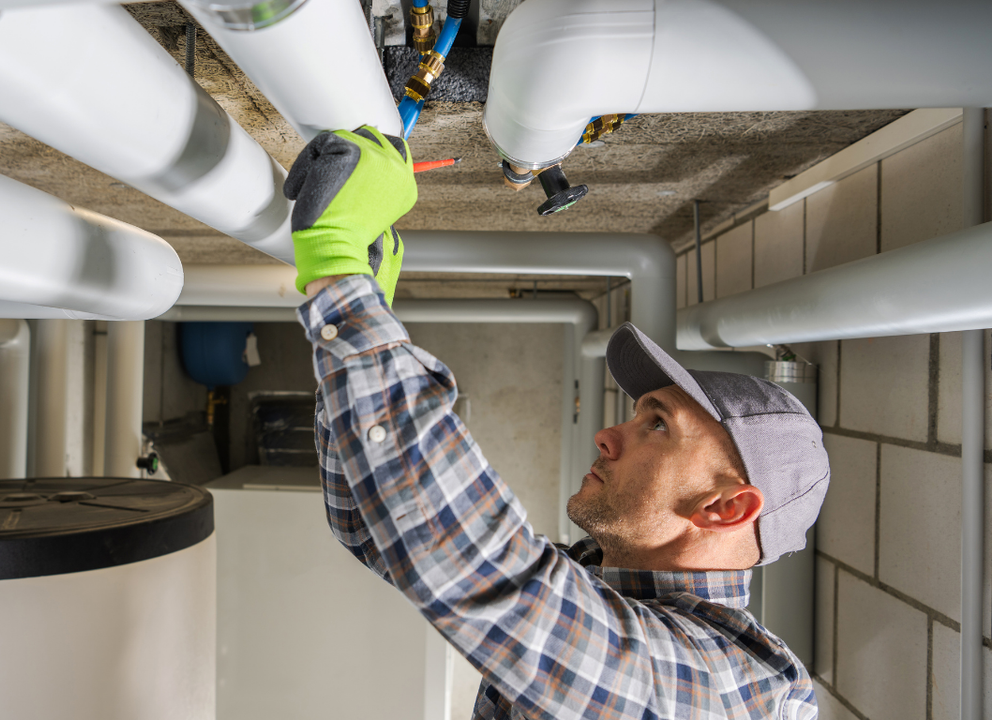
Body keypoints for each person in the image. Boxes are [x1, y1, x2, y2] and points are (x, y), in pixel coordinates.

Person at [282, 126, 830, 719]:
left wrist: (341, 272)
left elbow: (493, 578)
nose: (607, 436)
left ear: (725, 507)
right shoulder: (601, 581)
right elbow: (375, 527)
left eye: (658, 426)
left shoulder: (732, 686)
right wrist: (363, 299)